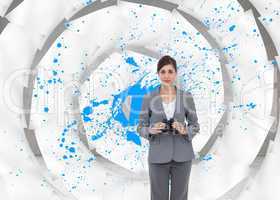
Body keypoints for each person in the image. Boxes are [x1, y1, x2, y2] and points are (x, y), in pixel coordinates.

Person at [137, 55, 200, 200]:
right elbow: (140, 127)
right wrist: (150, 130)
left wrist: (185, 130)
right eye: (163, 71)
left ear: (176, 73)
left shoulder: (186, 97)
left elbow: (195, 125)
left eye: (170, 71)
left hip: (183, 156)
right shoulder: (149, 98)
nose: (166, 75)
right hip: (158, 156)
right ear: (158, 74)